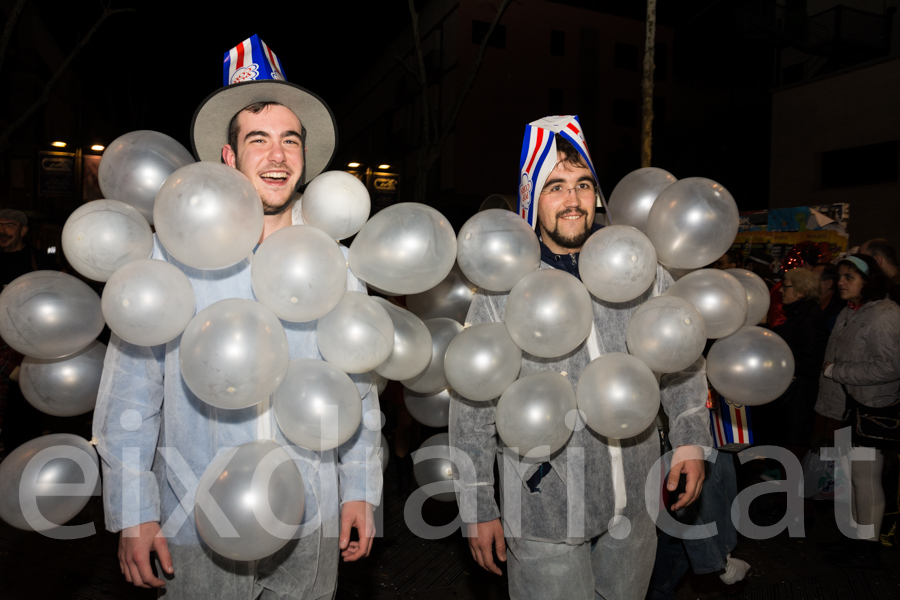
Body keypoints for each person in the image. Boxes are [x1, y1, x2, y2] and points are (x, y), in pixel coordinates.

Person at [93, 35, 381, 598]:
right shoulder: (169, 258)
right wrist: (133, 511)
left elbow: (359, 390)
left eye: (289, 141)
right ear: (229, 156)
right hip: (194, 520)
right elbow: (130, 393)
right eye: (259, 140)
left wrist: (361, 489)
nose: (277, 157)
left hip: (311, 517)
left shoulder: (339, 264)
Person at [449, 116, 711, 600]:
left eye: (583, 184)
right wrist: (477, 503)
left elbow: (683, 357)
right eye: (555, 187)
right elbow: (471, 408)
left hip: (634, 499)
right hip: (543, 504)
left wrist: (692, 438)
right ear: (532, 199)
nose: (572, 200)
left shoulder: (637, 267)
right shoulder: (500, 292)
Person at [815, 254, 900, 569]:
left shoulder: (886, 314)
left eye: (849, 277)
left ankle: (867, 547)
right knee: (849, 476)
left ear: (869, 280)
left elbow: (890, 366)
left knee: (865, 479)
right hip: (843, 409)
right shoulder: (848, 312)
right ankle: (853, 538)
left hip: (869, 410)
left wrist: (838, 371)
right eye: (839, 276)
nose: (840, 282)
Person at [0, 209, 57, 455]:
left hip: (30, 344)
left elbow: (56, 297)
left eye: (9, 226)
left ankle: (24, 457)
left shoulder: (39, 260)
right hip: (1, 346)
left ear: (23, 231)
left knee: (26, 410)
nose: (2, 231)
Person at [754, 268, 828, 456]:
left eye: (785, 286)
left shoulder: (810, 318)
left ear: (801, 291)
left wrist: (778, 360)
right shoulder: (799, 315)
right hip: (791, 397)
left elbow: (810, 361)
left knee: (791, 452)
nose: (780, 291)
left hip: (798, 399)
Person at [813, 262, 843, 331]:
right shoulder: (808, 304)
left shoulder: (838, 313)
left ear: (828, 284)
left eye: (813, 279)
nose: (808, 283)